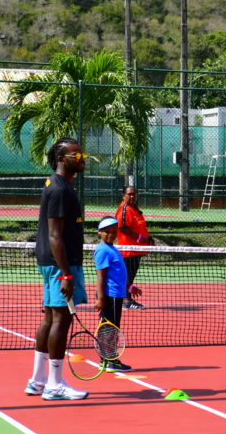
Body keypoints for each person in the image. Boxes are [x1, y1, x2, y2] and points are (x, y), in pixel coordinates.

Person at [25, 137, 90, 401]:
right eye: (76, 155)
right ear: (62, 159)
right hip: (59, 264)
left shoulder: (59, 185)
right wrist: (66, 273)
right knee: (61, 320)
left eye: (82, 154)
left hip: (54, 263)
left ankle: (38, 381)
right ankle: (54, 384)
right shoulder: (60, 190)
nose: (82, 158)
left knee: (51, 319)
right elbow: (55, 235)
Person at [94, 217, 142, 372]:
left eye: (114, 232)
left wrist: (130, 287)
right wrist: (101, 298)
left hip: (117, 295)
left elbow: (119, 274)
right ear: (99, 232)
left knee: (110, 327)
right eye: (107, 232)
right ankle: (111, 360)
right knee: (111, 328)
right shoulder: (103, 250)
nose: (111, 235)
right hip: (111, 296)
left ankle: (106, 359)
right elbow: (100, 276)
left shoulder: (113, 249)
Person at [114, 185, 153, 310]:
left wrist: (148, 238)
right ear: (123, 196)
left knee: (130, 275)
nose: (132, 196)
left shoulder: (134, 208)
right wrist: (140, 238)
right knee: (127, 276)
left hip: (137, 249)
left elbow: (139, 226)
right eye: (129, 194)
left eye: (133, 194)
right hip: (128, 249)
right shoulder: (125, 209)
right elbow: (122, 228)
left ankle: (126, 300)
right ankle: (127, 301)